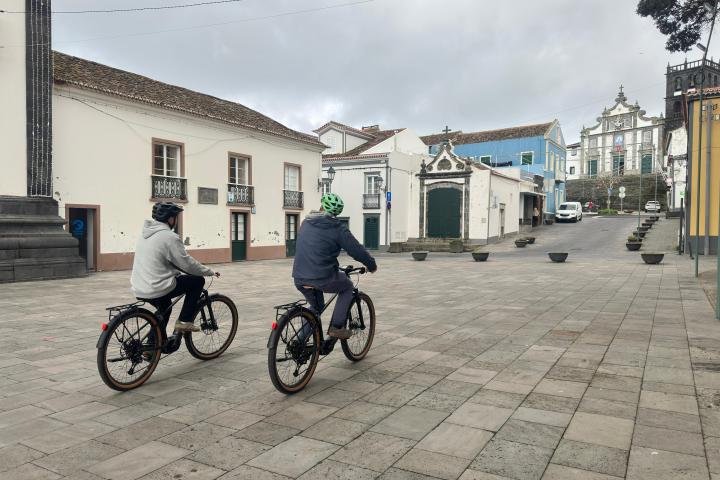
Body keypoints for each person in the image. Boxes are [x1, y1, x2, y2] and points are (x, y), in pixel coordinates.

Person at [292, 193, 377, 340]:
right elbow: (356, 249)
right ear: (337, 213)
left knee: (316, 308)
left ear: (321, 207)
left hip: (299, 276)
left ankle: (298, 342)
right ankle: (336, 327)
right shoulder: (337, 227)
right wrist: (371, 264)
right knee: (347, 286)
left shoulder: (306, 222)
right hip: (322, 276)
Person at [130, 202, 219, 333]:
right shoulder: (169, 237)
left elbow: (163, 260)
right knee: (197, 281)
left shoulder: (144, 235)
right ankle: (184, 321)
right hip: (156, 287)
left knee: (165, 308)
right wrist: (208, 271)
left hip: (139, 286)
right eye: (176, 217)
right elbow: (186, 263)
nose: (176, 221)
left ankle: (152, 346)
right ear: (171, 218)